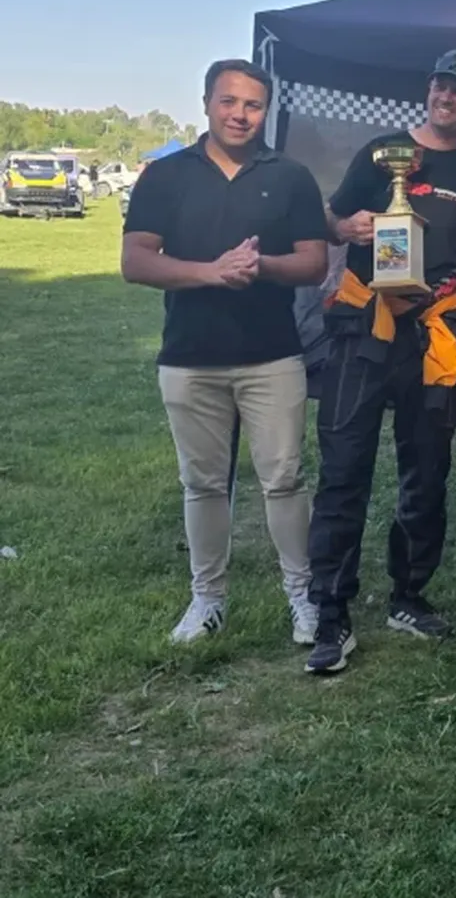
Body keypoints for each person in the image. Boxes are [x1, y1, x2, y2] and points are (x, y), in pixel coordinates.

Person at [306, 49, 456, 674]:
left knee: (426, 471)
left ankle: (408, 596)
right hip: (364, 327)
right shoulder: (381, 151)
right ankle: (330, 615)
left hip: (434, 333)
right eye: (441, 85)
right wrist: (350, 226)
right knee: (344, 471)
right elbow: (330, 220)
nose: (447, 96)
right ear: (429, 89)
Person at [121, 59, 328, 645]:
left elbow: (314, 262)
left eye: (253, 105)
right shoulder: (165, 176)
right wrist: (212, 272)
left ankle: (303, 597)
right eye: (229, 101)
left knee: (284, 478)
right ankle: (207, 599)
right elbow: (136, 261)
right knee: (204, 484)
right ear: (207, 102)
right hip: (189, 357)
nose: (240, 114)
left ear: (267, 111)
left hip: (272, 356)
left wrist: (259, 267)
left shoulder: (290, 176)